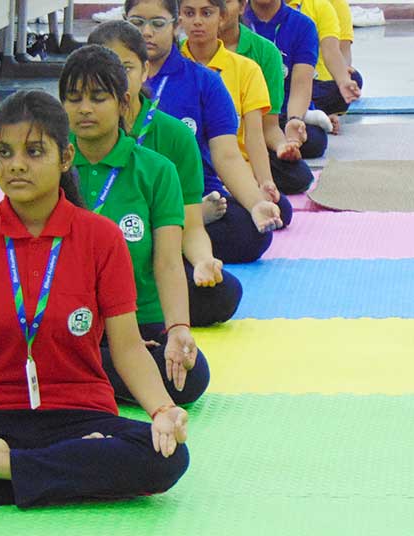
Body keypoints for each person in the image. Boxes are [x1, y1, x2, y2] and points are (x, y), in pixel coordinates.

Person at [0, 90, 189, 508]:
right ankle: (49, 473)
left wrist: (162, 410)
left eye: (34, 151)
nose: (16, 164)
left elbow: (127, 347)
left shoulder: (101, 238)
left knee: (167, 456)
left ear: (65, 157)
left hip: (77, 414)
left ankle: (3, 467)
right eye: (3, 152)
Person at [59, 45, 210, 405]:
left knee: (189, 377)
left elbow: (169, 262)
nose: (84, 109)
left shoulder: (157, 170)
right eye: (73, 98)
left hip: (139, 318)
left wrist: (178, 330)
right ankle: (95, 368)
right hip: (67, 321)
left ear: (123, 103)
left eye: (98, 98)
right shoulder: (52, 165)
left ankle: (65, 377)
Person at [88, 20, 243, 327]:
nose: (115, 82)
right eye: (102, 73)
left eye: (126, 69)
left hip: (154, 261)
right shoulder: (66, 139)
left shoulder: (174, 136)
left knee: (223, 293)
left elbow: (192, 226)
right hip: (84, 271)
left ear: (145, 70)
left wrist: (202, 261)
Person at [125, 0, 283, 264]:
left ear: (176, 26)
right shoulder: (112, 79)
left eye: (158, 23)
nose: (147, 32)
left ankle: (175, 228)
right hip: (129, 194)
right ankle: (182, 226)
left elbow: (228, 156)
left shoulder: (205, 81)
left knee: (251, 233)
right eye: (137, 23)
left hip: (193, 194)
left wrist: (256, 203)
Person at [177, 0, 295, 228]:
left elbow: (255, 135)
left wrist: (264, 182)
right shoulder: (172, 66)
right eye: (189, 13)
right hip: (187, 174)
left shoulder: (246, 69)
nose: (198, 21)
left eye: (207, 13)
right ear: (179, 20)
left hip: (233, 168)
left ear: (221, 17)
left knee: (279, 211)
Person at [219, 0, 314, 194]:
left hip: (248, 146)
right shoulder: (181, 52)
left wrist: (283, 145)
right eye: (192, 12)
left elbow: (267, 126)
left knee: (299, 175)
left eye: (226, 2)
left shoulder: (265, 52)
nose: (219, 11)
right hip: (201, 150)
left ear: (242, 6)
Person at [245, 0, 328, 159]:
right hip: (243, 114)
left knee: (315, 141)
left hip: (282, 114)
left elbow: (301, 85)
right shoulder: (235, 22)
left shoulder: (302, 25)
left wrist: (294, 120)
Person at [286, 0, 361, 118]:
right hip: (276, 81)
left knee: (354, 79)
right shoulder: (257, 8)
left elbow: (333, 50)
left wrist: (343, 78)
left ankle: (299, 112)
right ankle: (308, 113)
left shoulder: (322, 7)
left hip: (313, 81)